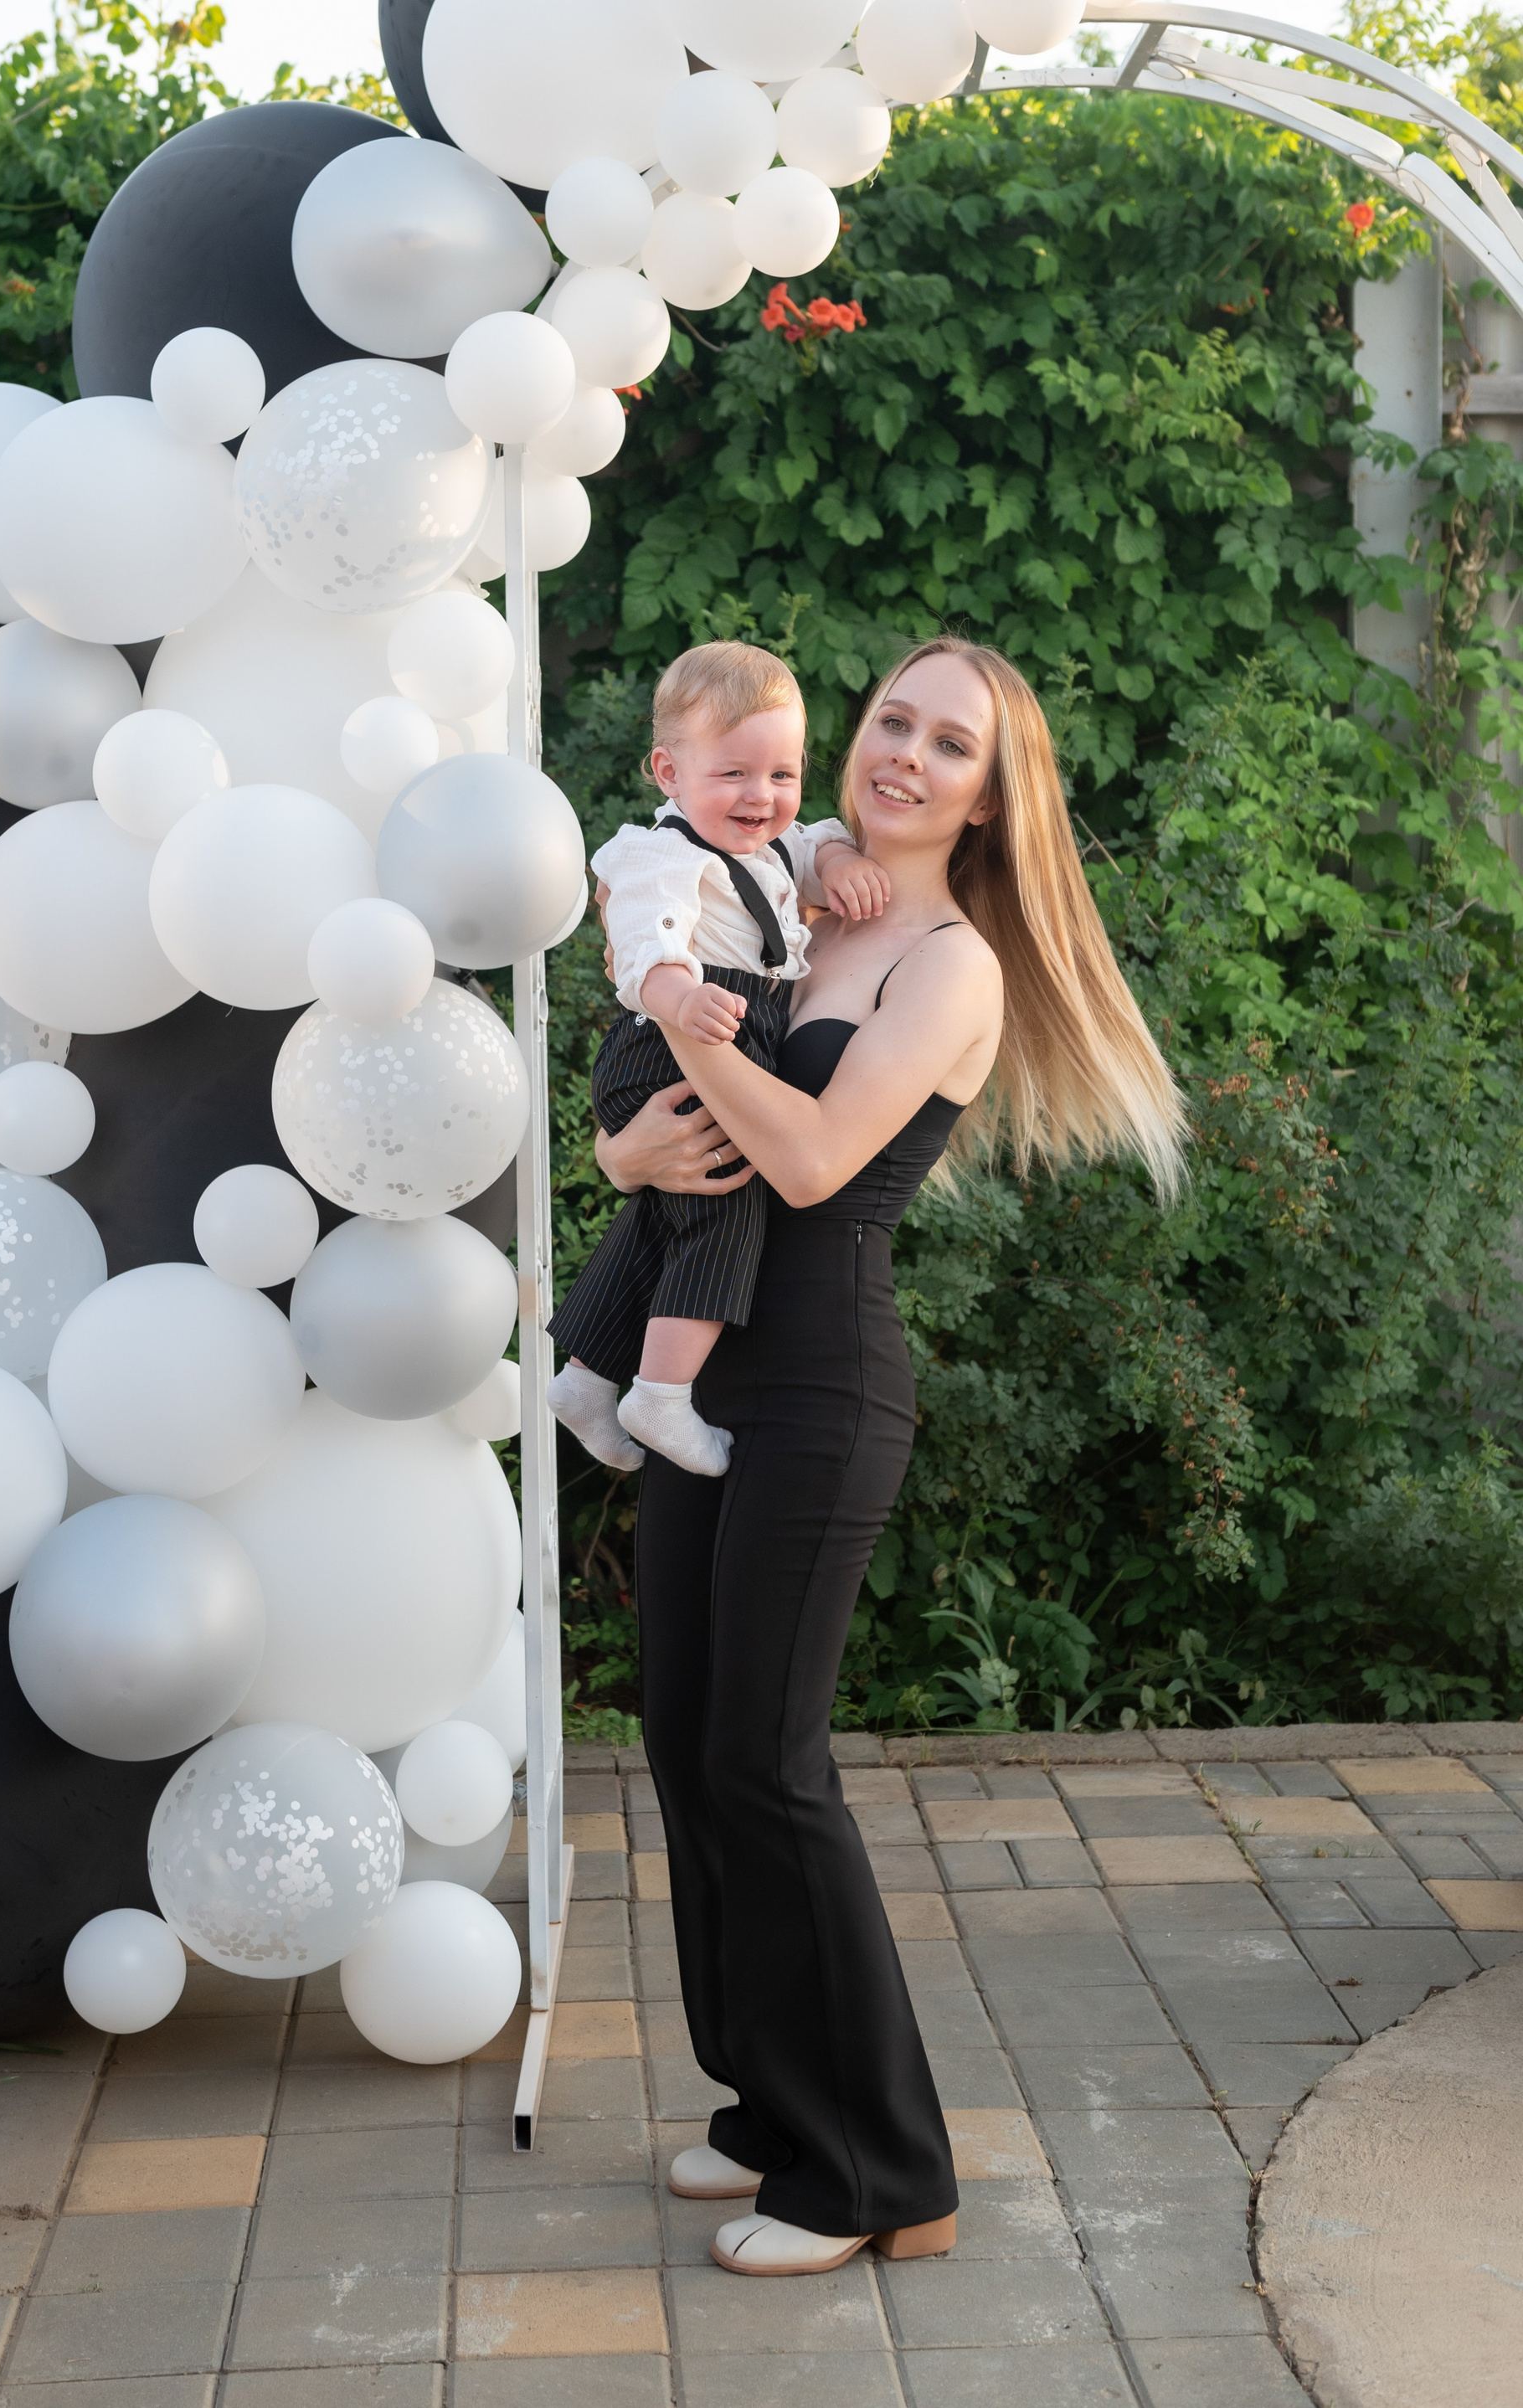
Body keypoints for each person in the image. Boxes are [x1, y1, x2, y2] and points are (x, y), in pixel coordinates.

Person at [592, 637, 1187, 2277]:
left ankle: (880, 2171)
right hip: (704, 1369)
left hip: (819, 1391)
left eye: (951, 745)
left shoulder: (948, 965)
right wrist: (620, 1151)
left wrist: (676, 1017)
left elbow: (801, 1158)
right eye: (895, 721)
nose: (907, 756)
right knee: (686, 1742)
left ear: (990, 799)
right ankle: (772, 2104)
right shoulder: (790, 881)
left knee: (769, 1764)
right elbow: (651, 1113)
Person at [547, 641, 886, 1479]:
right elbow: (643, 946)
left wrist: (839, 860)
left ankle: (587, 1377)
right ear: (669, 772)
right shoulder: (661, 855)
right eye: (733, 773)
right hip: (676, 1035)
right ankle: (661, 1394)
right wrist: (679, 1002)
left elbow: (812, 844)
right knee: (729, 1209)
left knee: (674, 1214)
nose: (760, 796)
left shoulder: (766, 844)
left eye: (782, 774)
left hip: (720, 1031)